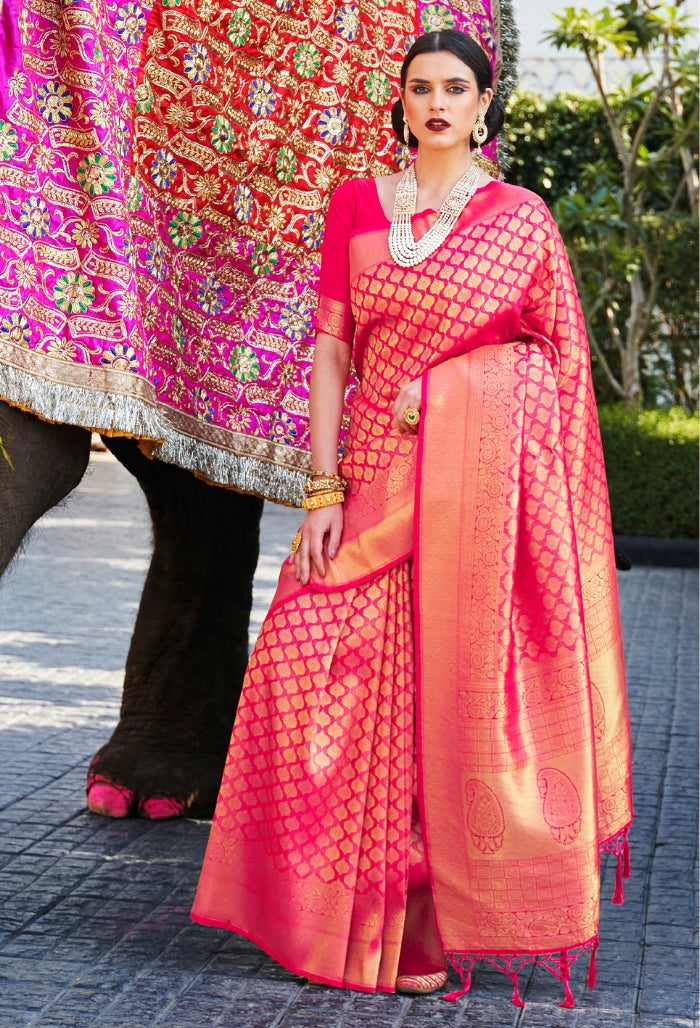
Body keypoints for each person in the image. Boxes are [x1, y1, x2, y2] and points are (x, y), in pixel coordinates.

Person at [191, 30, 633, 1006]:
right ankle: (317, 912)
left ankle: (417, 924)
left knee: (441, 705)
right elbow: (330, 355)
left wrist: (452, 394)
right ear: (400, 101)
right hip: (369, 487)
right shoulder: (357, 204)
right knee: (301, 668)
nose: (436, 103)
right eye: (420, 88)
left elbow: (554, 372)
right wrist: (320, 486)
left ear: (484, 104)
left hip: (469, 503)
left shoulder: (520, 222)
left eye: (455, 89)